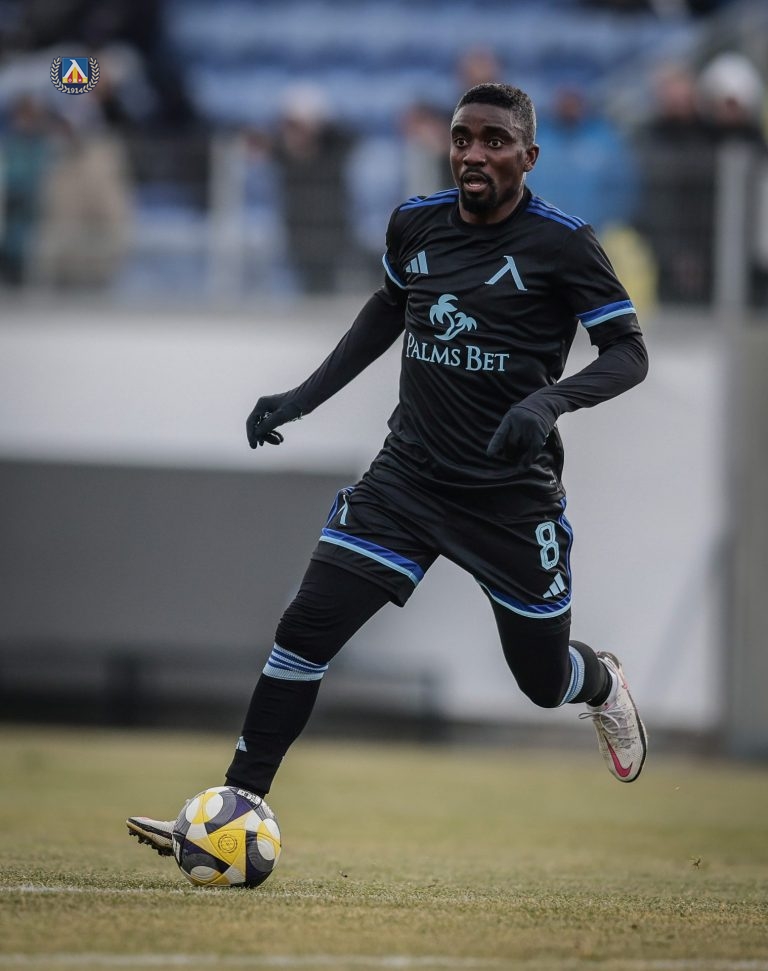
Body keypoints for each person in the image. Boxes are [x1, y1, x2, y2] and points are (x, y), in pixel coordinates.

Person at [127, 83, 649, 856]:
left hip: (510, 498)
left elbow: (629, 353)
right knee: (305, 628)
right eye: (463, 137)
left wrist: (548, 403)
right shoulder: (416, 222)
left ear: (529, 156)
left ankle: (599, 682)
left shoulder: (564, 244)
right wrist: (301, 397)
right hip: (406, 480)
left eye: (495, 141)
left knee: (541, 680)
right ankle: (234, 805)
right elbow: (385, 310)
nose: (474, 153)